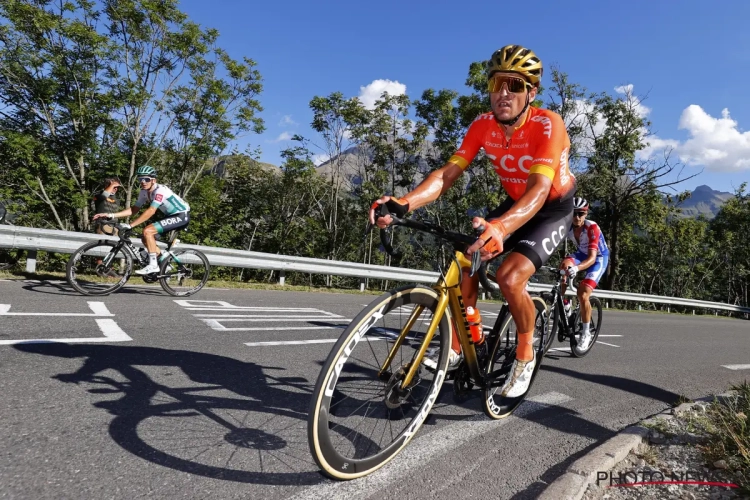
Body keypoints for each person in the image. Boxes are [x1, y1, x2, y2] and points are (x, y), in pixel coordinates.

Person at [370, 44, 576, 398]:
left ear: (531, 92)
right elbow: (447, 174)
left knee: (511, 277)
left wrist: (502, 227)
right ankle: (463, 341)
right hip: (514, 203)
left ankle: (525, 354)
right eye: (497, 84)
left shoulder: (548, 124)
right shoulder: (482, 124)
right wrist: (404, 202)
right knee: (466, 257)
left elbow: (540, 190)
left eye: (514, 85)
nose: (503, 93)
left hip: (551, 208)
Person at [93, 165, 190, 275]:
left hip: (181, 215)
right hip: (170, 216)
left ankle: (153, 265)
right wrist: (111, 215)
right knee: (145, 237)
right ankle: (163, 264)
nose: (143, 182)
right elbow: (134, 209)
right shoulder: (144, 192)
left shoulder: (160, 190)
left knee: (147, 231)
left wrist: (131, 225)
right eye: (140, 179)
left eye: (146, 179)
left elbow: (151, 210)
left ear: (154, 180)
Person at [559, 197, 609, 350]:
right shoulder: (567, 226)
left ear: (586, 214)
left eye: (581, 214)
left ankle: (585, 333)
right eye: (574, 213)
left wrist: (577, 268)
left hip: (598, 257)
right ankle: (565, 304)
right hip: (581, 254)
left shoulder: (591, 227)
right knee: (563, 267)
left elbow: (592, 257)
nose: (577, 217)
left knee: (583, 293)